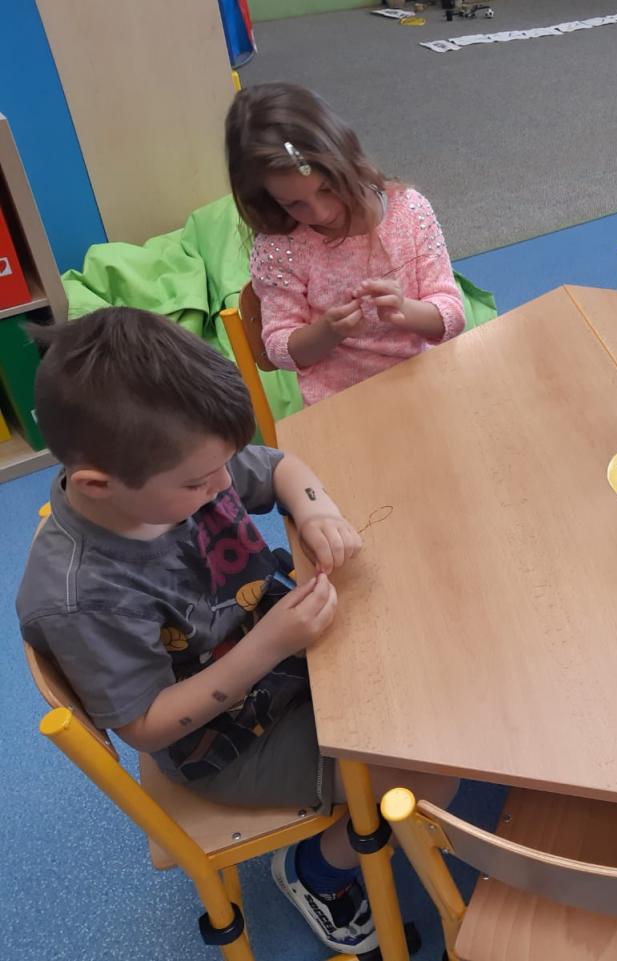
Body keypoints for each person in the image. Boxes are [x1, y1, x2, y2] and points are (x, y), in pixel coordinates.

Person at [17, 308, 455, 953]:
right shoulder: (83, 598)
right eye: (202, 481)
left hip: (285, 659)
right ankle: (319, 872)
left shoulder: (175, 467)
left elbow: (280, 468)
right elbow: (146, 726)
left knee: (434, 647)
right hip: (228, 742)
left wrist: (317, 512)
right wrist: (270, 643)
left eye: (223, 465)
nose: (225, 484)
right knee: (433, 770)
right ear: (97, 485)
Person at [226, 82, 465, 405]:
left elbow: (452, 315)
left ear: (347, 162)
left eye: (327, 189)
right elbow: (279, 349)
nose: (320, 213)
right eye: (293, 204)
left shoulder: (408, 211)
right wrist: (328, 331)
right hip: (338, 402)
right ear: (267, 200)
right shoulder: (281, 248)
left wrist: (405, 310)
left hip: (419, 381)